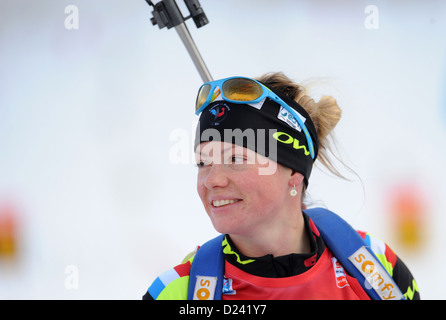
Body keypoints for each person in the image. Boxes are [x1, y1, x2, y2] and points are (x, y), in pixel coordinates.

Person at [143, 72, 420, 300]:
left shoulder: (374, 266)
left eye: (236, 159)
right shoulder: (180, 292)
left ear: (294, 172)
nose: (212, 179)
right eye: (203, 163)